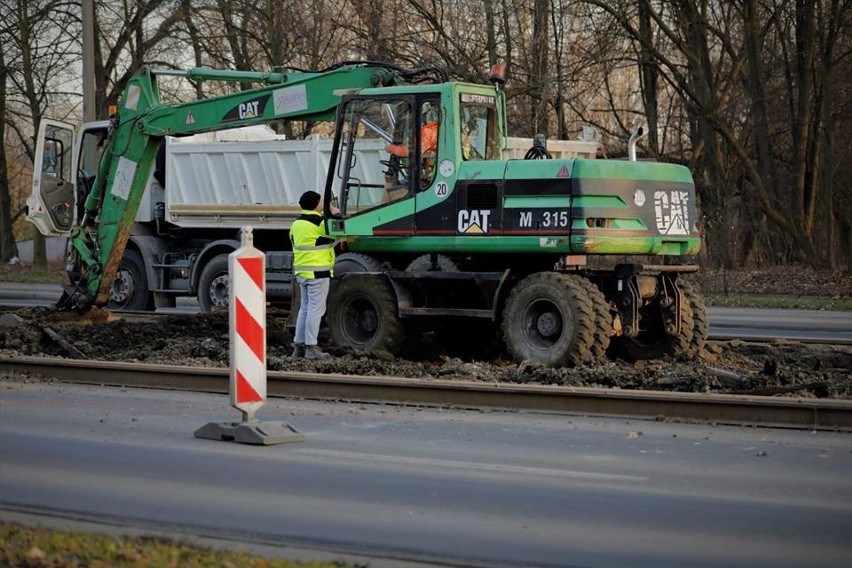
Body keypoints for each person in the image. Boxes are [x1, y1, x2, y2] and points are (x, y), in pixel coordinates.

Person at [289, 190, 336, 359]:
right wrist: (335, 212)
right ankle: (311, 347)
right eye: (321, 202)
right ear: (316, 204)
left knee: (305, 309)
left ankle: (298, 347)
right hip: (318, 272)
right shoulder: (320, 222)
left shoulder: (296, 223)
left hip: (302, 271)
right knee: (315, 310)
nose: (323, 204)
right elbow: (339, 232)